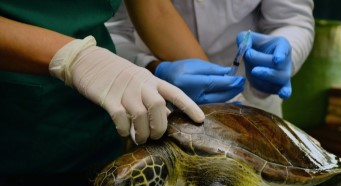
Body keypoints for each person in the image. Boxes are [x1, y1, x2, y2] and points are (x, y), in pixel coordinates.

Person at [0, 1, 205, 176]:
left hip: (98, 128)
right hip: (16, 130)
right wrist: (72, 57)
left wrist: (220, 101)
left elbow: (156, 10)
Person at [106, 0, 315, 117]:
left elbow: (293, 19)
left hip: (252, 106)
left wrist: (281, 57)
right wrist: (152, 70)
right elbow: (111, 32)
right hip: (157, 105)